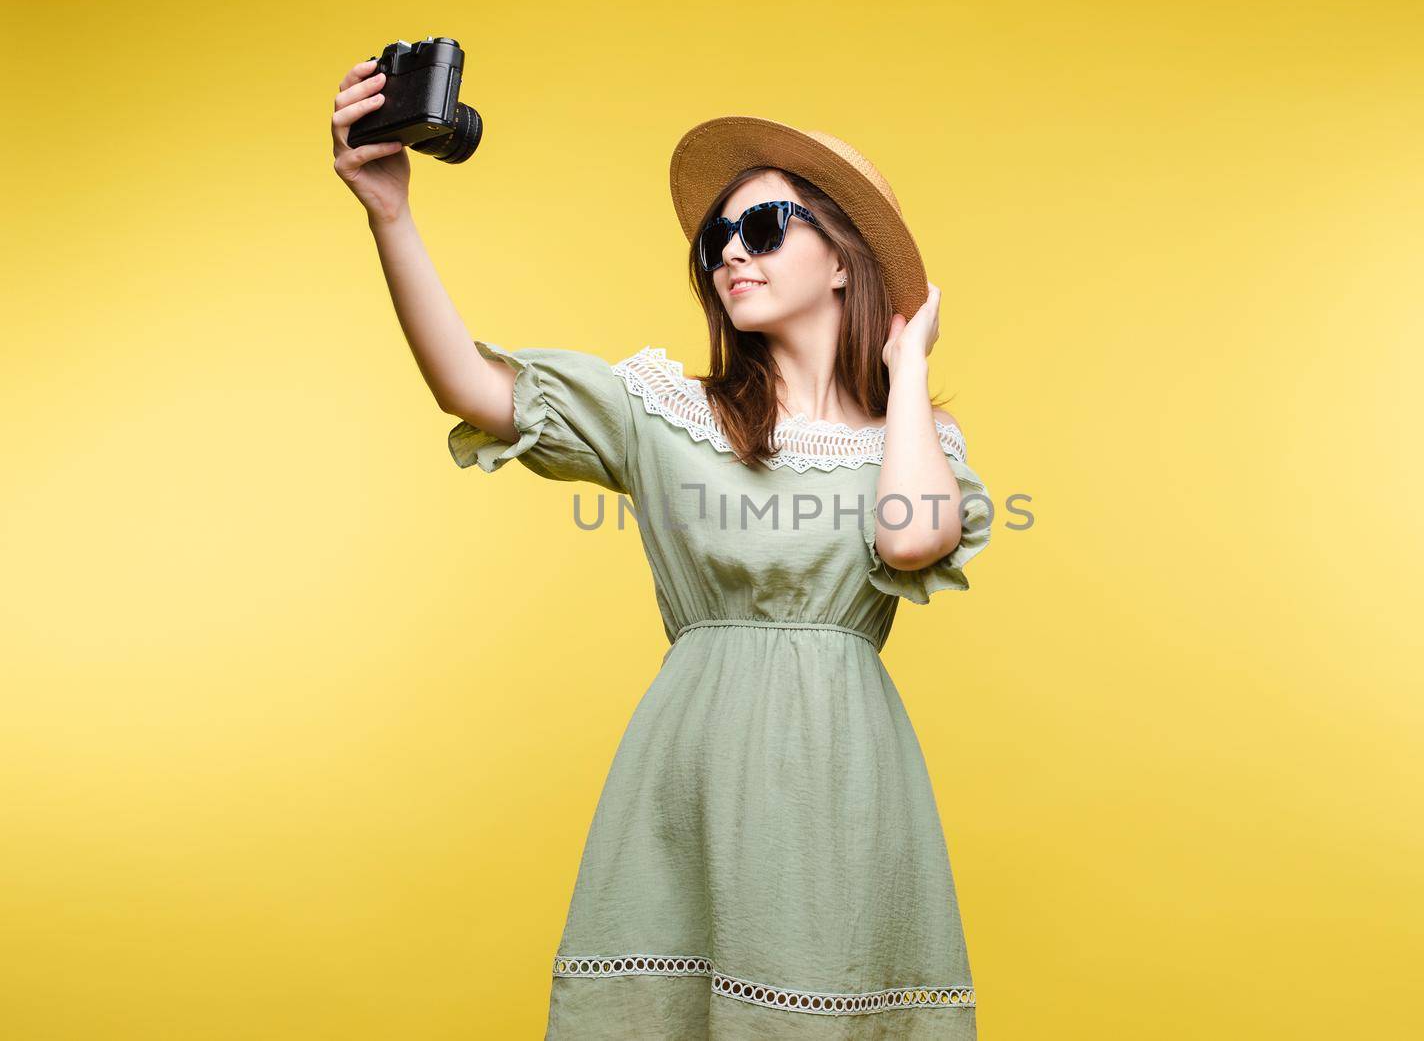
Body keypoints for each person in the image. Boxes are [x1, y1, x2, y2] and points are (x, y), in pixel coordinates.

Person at [332, 60, 992, 1039]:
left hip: (845, 787)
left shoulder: (915, 444)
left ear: (844, 259)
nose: (732, 252)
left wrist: (907, 373)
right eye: (716, 238)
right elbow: (473, 389)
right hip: (687, 773)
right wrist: (391, 215)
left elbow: (908, 537)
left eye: (763, 228)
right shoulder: (668, 411)